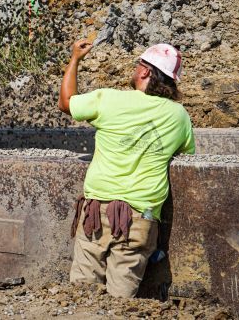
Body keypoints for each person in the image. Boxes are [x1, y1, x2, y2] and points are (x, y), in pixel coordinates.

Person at [58, 39, 195, 298]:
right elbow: (186, 158)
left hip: (97, 214)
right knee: (122, 301)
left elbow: (66, 103)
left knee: (82, 297)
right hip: (141, 220)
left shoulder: (109, 100)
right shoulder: (179, 117)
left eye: (138, 64)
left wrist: (75, 58)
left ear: (145, 72)